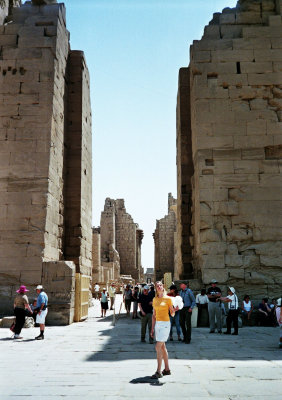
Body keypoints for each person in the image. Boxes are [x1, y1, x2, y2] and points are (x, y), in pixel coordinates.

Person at [150, 281, 175, 379]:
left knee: (157, 347)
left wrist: (173, 311)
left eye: (160, 285)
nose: (159, 287)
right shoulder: (155, 299)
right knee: (162, 347)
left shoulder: (168, 299)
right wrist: (152, 328)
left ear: (163, 286)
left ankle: (158, 371)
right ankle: (167, 369)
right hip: (158, 325)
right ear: (156, 288)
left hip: (165, 324)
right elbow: (154, 315)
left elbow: (172, 314)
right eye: (157, 286)